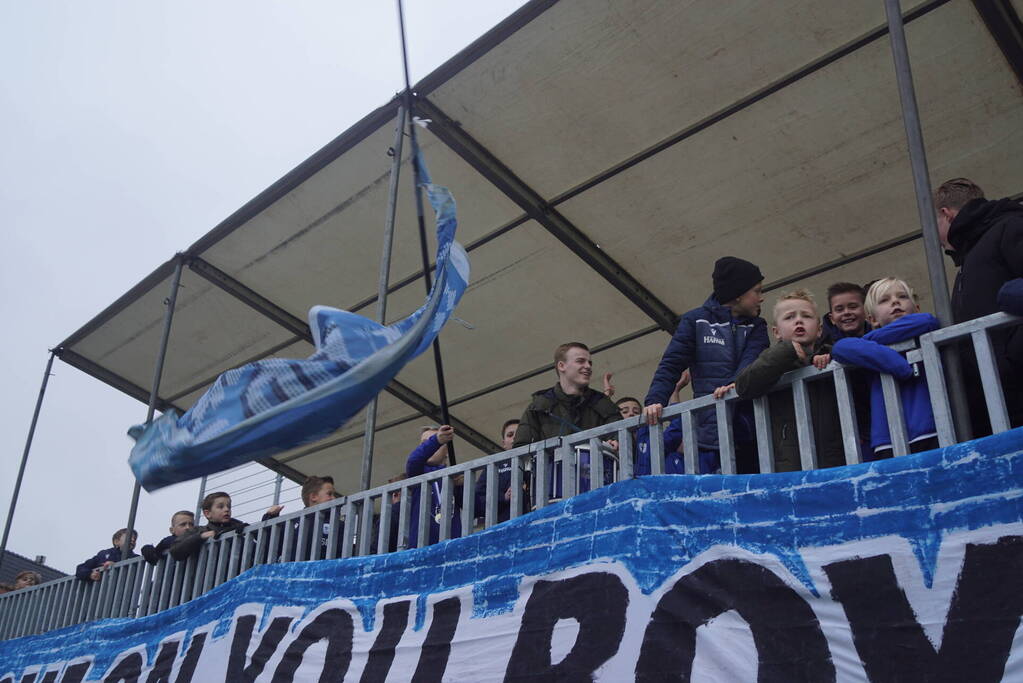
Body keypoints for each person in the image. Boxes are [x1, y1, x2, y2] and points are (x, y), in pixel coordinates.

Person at [644, 257, 769, 474]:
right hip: (706, 436)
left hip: (749, 432)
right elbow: (671, 364)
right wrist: (655, 400)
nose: (762, 298)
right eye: (757, 291)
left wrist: (733, 386)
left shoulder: (757, 326)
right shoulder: (696, 321)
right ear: (738, 294)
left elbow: (752, 363)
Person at [935, 177, 1023, 431]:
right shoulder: (970, 259)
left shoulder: (1009, 226)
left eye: (935, 225)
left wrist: (1012, 356)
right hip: (996, 400)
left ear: (947, 215)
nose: (937, 239)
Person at [735, 289, 845, 471]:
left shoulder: (832, 355)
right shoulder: (772, 359)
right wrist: (786, 351)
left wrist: (826, 359)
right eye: (789, 317)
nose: (799, 320)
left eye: (807, 316)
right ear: (776, 332)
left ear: (819, 330)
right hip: (790, 463)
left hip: (835, 460)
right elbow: (745, 386)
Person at [832, 278, 940, 459]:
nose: (895, 302)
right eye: (884, 300)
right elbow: (840, 348)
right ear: (872, 319)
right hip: (887, 438)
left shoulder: (923, 324)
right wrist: (899, 365)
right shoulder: (865, 346)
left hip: (930, 429)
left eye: (902, 297)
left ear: (917, 308)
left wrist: (871, 341)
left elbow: (927, 321)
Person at [513, 342, 621, 446]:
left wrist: (616, 442)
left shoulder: (602, 403)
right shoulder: (539, 406)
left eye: (590, 363)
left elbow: (623, 437)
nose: (588, 366)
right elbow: (521, 448)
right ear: (561, 366)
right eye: (580, 361)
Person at [406, 425, 462, 547]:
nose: (429, 446)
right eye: (424, 444)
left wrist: (461, 486)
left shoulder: (453, 476)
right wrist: (436, 440)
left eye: (437, 441)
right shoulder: (418, 472)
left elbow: (476, 507)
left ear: (446, 451)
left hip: (451, 546)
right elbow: (413, 460)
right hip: (421, 545)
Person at [261, 476, 341, 559]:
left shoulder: (338, 524)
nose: (334, 498)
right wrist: (270, 516)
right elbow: (272, 541)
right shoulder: (293, 524)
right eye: (329, 494)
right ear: (313, 497)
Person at [474, 419, 526, 524]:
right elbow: (477, 501)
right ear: (504, 443)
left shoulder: (539, 459)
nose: (515, 437)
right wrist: (504, 497)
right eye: (510, 435)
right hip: (501, 527)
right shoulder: (494, 466)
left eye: (519, 433)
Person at [170, 492, 247, 561]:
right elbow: (175, 551)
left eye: (229, 506)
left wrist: (247, 530)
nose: (226, 509)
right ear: (207, 514)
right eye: (220, 507)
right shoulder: (198, 530)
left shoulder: (239, 527)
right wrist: (201, 536)